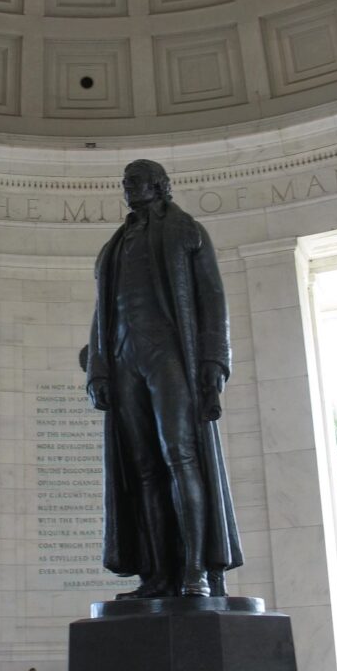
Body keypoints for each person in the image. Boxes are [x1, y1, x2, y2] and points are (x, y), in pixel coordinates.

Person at [86, 159, 243, 599]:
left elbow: (212, 297)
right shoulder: (116, 244)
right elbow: (103, 310)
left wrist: (214, 360)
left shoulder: (186, 230)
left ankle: (195, 569)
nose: (129, 188)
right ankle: (156, 575)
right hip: (124, 357)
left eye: (136, 181)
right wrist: (99, 366)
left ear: (160, 185)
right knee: (145, 471)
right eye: (125, 182)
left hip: (170, 354)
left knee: (181, 457)